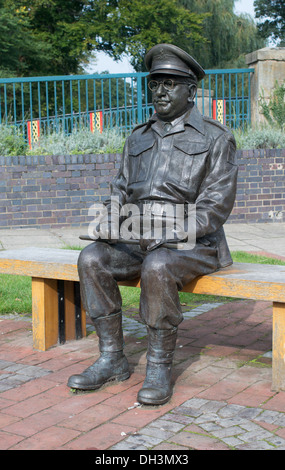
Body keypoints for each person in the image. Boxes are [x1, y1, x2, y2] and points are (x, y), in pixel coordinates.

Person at [67, 44, 238, 405]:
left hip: (194, 241)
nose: (160, 91)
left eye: (170, 83)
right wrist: (110, 219)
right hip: (136, 234)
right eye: (155, 83)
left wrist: (168, 234)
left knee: (158, 264)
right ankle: (112, 358)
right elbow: (119, 187)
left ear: (191, 91)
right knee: (91, 257)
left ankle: (159, 366)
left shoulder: (216, 138)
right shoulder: (137, 136)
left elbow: (215, 206)